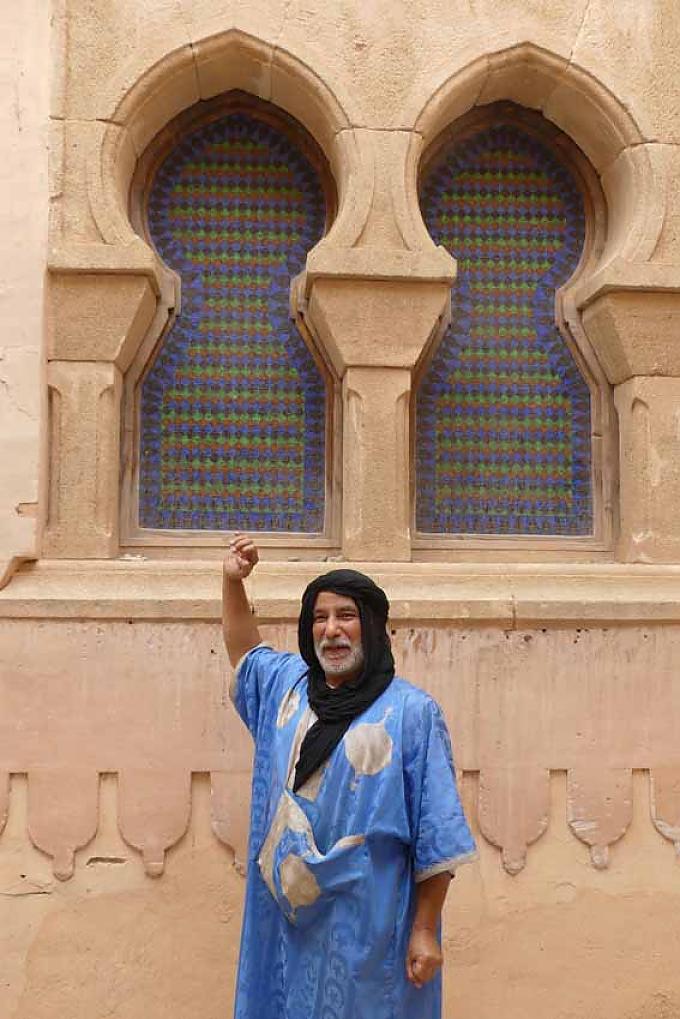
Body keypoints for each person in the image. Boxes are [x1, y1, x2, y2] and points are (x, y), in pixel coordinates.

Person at [223, 533, 476, 1019]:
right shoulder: (285, 690)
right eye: (320, 618)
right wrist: (232, 583)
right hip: (284, 928)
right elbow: (244, 652)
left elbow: (437, 834)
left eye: (346, 617)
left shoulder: (411, 713)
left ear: (373, 628)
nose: (332, 630)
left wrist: (424, 928)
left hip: (371, 929)